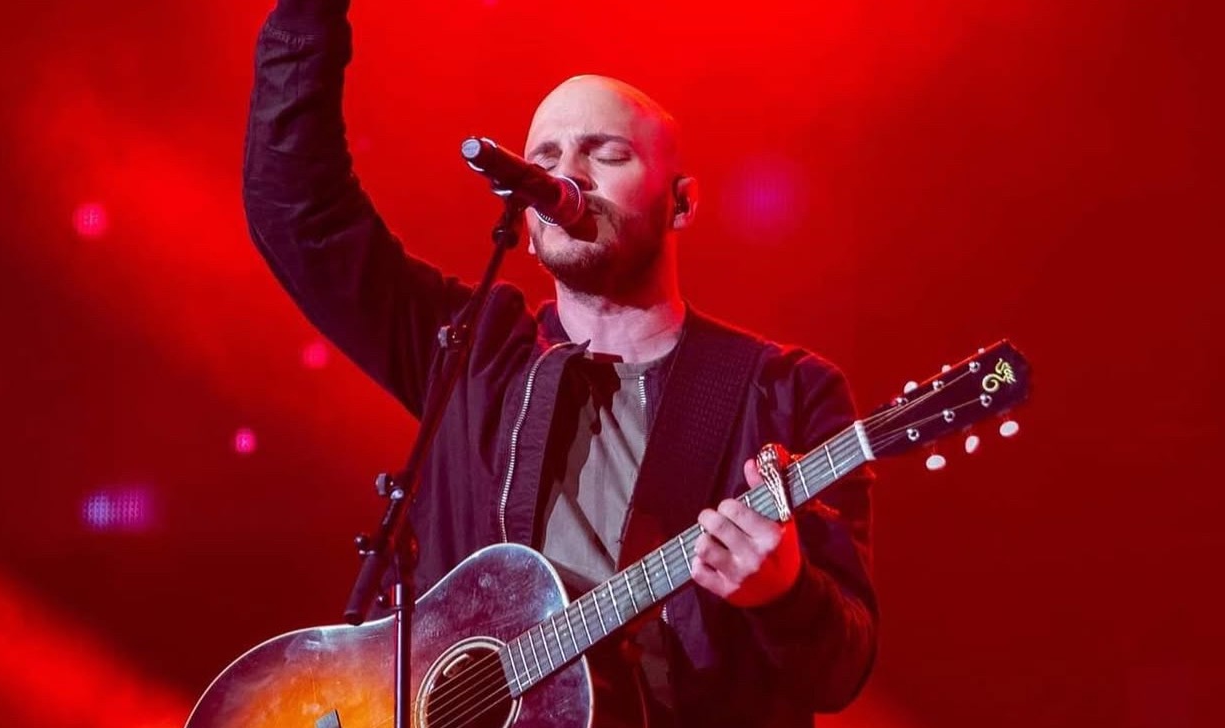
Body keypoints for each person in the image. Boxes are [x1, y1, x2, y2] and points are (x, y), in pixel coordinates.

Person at [244, 0, 877, 725]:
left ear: (681, 203)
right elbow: (300, 215)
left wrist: (785, 594)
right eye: (543, 159)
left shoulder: (787, 392)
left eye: (606, 155)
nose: (566, 176)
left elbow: (842, 667)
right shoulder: (474, 350)